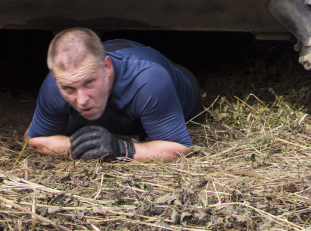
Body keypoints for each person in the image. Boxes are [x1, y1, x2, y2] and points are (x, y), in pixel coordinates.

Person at [26, 28, 200, 161]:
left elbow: (181, 148)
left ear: (107, 67)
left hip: (160, 72)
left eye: (89, 82)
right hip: (112, 49)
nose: (82, 100)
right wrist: (76, 149)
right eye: (69, 89)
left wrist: (121, 150)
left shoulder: (149, 81)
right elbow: (33, 139)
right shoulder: (58, 82)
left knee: (157, 69)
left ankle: (168, 62)